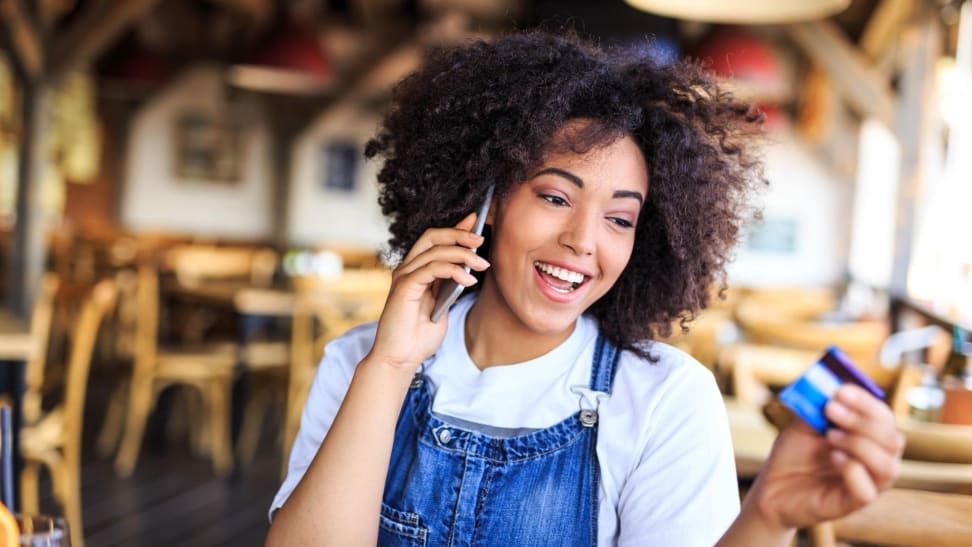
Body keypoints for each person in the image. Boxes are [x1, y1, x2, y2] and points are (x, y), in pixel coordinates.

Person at [266, 32, 904, 546]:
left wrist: (766, 516)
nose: (583, 240)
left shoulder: (663, 399)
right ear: (486, 202)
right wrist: (391, 366)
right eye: (554, 196)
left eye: (620, 219)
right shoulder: (359, 362)